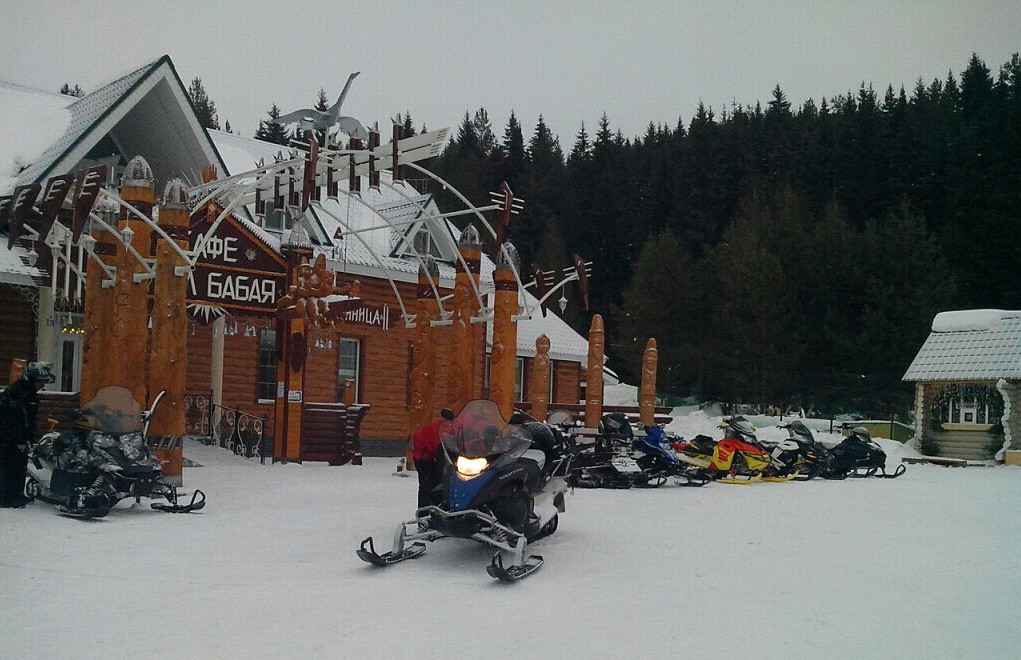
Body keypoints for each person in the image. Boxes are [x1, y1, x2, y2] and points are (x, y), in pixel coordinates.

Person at [0, 362, 54, 508]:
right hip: (9, 438)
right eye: (40, 382)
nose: (42, 385)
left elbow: (27, 419)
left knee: (19, 465)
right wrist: (19, 439)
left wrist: (30, 436)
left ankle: (16, 495)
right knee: (10, 466)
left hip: (18, 436)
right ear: (32, 379)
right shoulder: (19, 392)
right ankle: (6, 498)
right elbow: (11, 418)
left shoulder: (28, 394)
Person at [410, 414, 452, 509]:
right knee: (428, 482)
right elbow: (443, 454)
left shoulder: (466, 427)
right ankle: (424, 513)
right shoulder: (453, 430)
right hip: (423, 451)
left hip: (434, 447)